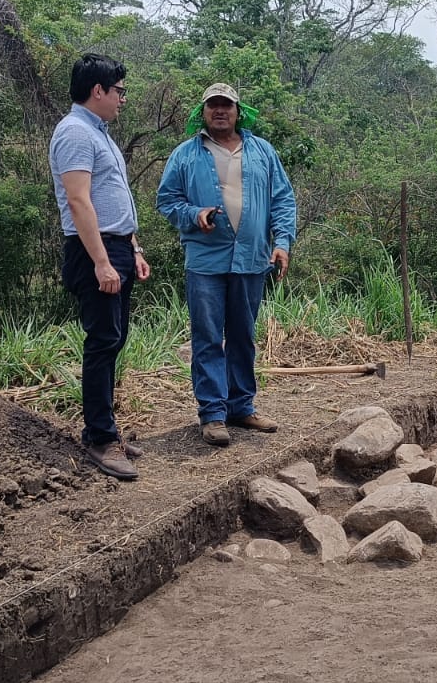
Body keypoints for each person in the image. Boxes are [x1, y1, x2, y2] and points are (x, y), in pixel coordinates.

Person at [156, 82, 297, 447]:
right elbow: (167, 200)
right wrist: (193, 213)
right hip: (205, 260)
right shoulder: (186, 154)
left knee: (242, 336)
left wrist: (282, 242)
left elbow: (282, 199)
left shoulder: (262, 151)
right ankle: (213, 414)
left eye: (227, 105)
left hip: (251, 258)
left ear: (238, 111)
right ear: (203, 112)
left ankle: (242, 407)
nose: (220, 111)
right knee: (207, 338)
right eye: (213, 106)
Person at [50, 53, 151, 481]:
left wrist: (133, 248)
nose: (122, 98)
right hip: (94, 251)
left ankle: (105, 429)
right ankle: (99, 438)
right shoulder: (74, 132)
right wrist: (102, 262)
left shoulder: (99, 133)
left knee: (114, 339)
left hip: (116, 247)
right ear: (98, 91)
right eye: (119, 91)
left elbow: (111, 198)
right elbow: (79, 201)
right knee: (102, 339)